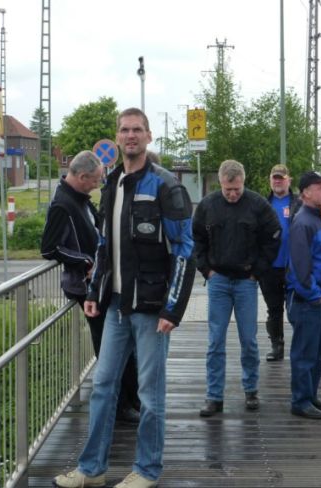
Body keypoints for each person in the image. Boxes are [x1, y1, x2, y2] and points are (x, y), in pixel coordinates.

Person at [53, 108, 196, 488]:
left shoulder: (166, 185)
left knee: (150, 393)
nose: (130, 135)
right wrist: (95, 291)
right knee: (103, 387)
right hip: (115, 306)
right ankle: (92, 469)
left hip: (151, 308)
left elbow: (185, 249)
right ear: (117, 138)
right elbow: (104, 244)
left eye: (137, 130)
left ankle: (146, 470)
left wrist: (173, 308)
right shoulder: (111, 183)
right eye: (124, 130)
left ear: (148, 136)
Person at [40, 150, 140, 423]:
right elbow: (49, 248)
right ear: (82, 177)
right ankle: (120, 406)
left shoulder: (79, 199)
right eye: (95, 180)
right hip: (86, 288)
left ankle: (132, 398)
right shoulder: (62, 205)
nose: (97, 185)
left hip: (101, 283)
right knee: (108, 348)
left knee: (121, 344)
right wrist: (86, 261)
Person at [193, 159, 281, 417]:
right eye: (227, 189)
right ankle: (214, 396)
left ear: (244, 182)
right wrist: (206, 269)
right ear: (220, 183)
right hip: (218, 279)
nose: (232, 194)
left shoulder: (258, 205)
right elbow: (196, 239)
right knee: (215, 341)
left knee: (249, 339)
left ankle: (251, 389)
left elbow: (274, 237)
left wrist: (257, 271)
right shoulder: (208, 205)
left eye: (237, 189)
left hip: (246, 281)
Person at [287, 171, 321, 420]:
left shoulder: (316, 218)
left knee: (316, 353)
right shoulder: (303, 222)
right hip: (309, 301)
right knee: (304, 353)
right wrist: (314, 294)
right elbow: (300, 267)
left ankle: (310, 395)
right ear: (305, 192)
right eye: (320, 187)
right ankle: (300, 400)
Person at [259, 164, 299, 361]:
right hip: (270, 266)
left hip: (294, 266)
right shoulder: (263, 204)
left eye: (281, 178)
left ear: (288, 180)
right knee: (274, 309)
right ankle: (277, 345)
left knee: (296, 308)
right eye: (274, 178)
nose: (277, 181)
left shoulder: (298, 203)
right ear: (270, 180)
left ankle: (300, 345)